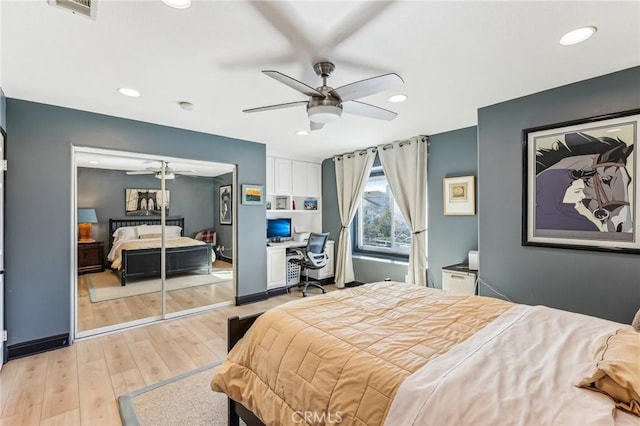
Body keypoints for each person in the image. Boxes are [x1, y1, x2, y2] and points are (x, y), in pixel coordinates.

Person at [535, 169, 600, 231]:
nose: (583, 196)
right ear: (554, 193)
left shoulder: (530, 220)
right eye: (577, 191)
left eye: (582, 191)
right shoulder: (583, 224)